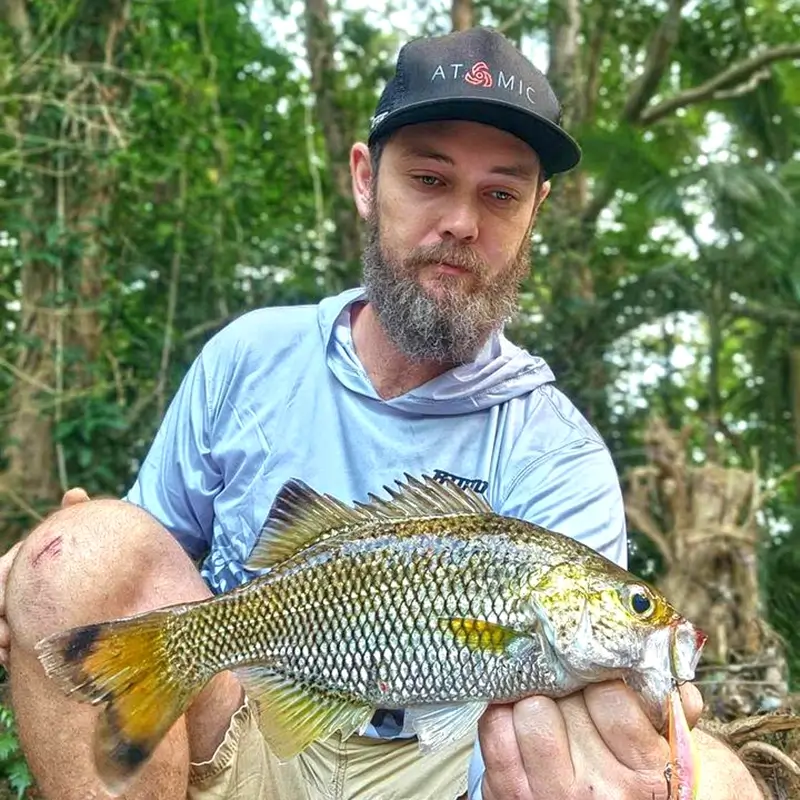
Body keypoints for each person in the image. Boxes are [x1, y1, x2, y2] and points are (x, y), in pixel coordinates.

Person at [0, 26, 761, 800]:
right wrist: (58, 567)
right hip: (252, 725)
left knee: (708, 779)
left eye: (501, 193)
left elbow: (550, 737)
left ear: (537, 211)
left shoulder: (559, 452)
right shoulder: (247, 356)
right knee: (78, 549)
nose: (462, 222)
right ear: (366, 179)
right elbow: (141, 557)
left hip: (453, 769)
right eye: (430, 178)